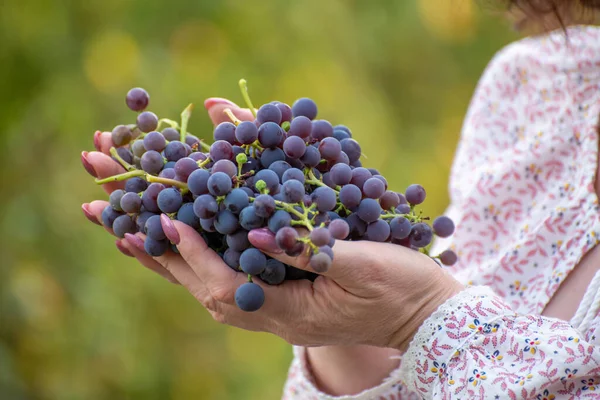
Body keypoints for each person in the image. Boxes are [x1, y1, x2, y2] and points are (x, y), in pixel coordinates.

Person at [80, 1, 600, 398]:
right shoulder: (537, 84)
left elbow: (437, 329)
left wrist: (418, 316)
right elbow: (422, 370)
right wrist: (338, 319)